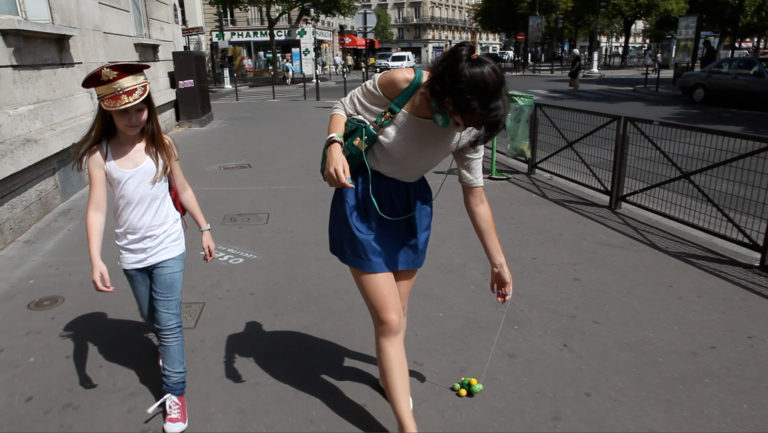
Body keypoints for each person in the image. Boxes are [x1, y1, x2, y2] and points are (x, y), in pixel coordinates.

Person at [321, 41, 514, 432]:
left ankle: (387, 376)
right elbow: (344, 106)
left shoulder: (472, 123)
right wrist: (334, 146)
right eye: (462, 117)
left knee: (397, 314)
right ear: (448, 93)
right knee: (390, 319)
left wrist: (498, 263)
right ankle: (407, 426)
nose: (464, 127)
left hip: (410, 208)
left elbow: (476, 196)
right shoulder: (403, 82)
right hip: (363, 199)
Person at [72, 62, 216, 433]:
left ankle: (175, 394)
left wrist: (204, 228)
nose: (134, 118)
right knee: (149, 316)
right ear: (108, 112)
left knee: (168, 324)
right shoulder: (100, 155)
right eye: (124, 112)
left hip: (169, 244)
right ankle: (165, 348)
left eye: (140, 109)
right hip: (132, 253)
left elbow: (183, 188)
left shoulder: (162, 144)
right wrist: (95, 259)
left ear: (148, 106)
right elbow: (97, 208)